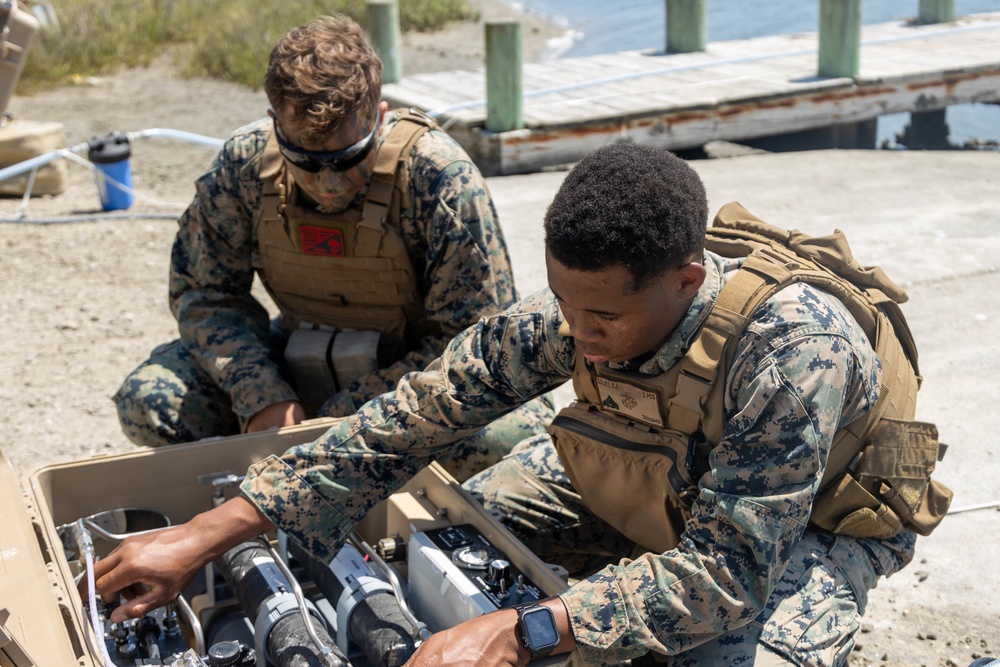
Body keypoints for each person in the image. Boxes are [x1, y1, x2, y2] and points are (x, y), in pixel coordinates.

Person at [93, 143, 945, 665]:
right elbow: (417, 412)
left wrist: (525, 632)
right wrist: (216, 528)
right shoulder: (585, 307)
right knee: (458, 543)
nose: (579, 334)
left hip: (809, 524)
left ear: (685, 282)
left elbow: (725, 572)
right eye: (567, 307)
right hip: (657, 470)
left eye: (603, 316)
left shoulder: (794, 353)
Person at [112, 14, 553, 481]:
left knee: (509, 436)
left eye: (346, 160)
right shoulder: (244, 166)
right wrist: (261, 393)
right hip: (299, 362)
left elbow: (471, 343)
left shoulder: (438, 177)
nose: (326, 184)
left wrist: (348, 416)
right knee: (149, 400)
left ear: (378, 117)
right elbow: (206, 296)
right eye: (303, 160)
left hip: (410, 377)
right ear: (273, 123)